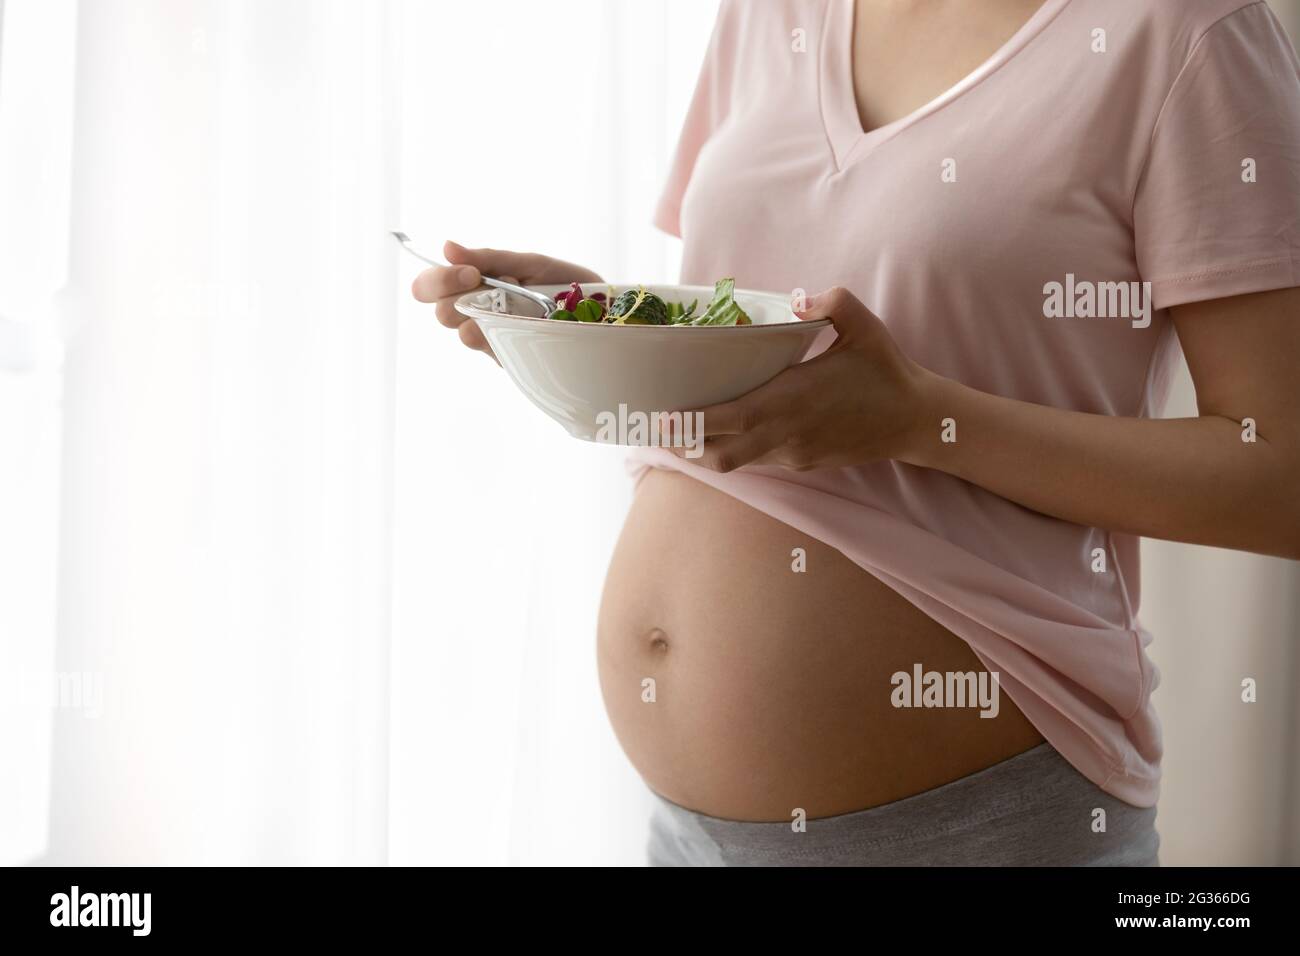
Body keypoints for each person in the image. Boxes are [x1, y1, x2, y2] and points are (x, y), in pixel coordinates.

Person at [412, 0, 1300, 865]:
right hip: (683, 832)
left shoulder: (1187, 30)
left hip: (971, 829)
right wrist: (595, 326)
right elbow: (754, 333)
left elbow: (1279, 480)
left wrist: (923, 421)